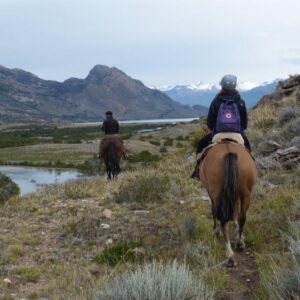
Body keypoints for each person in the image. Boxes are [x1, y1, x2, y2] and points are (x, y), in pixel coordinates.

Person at [191, 74, 251, 179]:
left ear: (222, 86)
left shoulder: (216, 102)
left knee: (200, 144)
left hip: (218, 135)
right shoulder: (241, 102)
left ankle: (198, 171)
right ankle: (252, 169)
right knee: (249, 151)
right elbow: (244, 125)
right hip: (238, 135)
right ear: (235, 86)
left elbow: (209, 123)